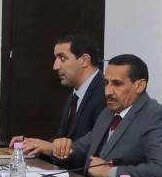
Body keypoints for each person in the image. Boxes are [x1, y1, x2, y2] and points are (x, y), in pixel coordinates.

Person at [57, 54, 162, 177]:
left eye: (117, 84)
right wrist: (55, 147)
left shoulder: (154, 115)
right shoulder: (108, 112)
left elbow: (160, 170)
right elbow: (83, 148)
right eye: (106, 83)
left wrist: (110, 172)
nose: (108, 92)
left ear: (139, 85)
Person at [15, 32, 105, 161]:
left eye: (62, 58)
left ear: (85, 60)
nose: (55, 66)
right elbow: (63, 141)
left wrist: (50, 148)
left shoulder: (105, 94)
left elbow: (97, 148)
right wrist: (33, 144)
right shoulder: (75, 94)